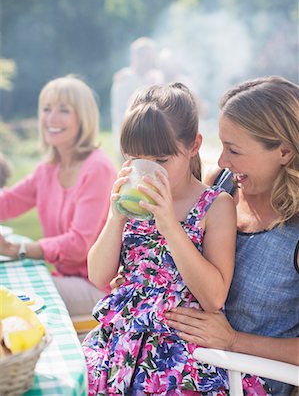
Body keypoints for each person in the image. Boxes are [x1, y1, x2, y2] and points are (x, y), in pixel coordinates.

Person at [82, 82, 270, 395]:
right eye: (135, 158)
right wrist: (115, 217)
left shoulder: (215, 205)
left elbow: (214, 297)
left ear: (194, 145)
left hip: (178, 351)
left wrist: (169, 224)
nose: (149, 171)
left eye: (161, 161)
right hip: (121, 343)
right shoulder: (130, 200)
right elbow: (98, 275)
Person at [165, 76, 299, 396]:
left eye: (234, 150)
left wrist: (232, 341)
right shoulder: (221, 184)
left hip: (246, 378)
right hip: (182, 360)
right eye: (222, 145)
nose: (223, 160)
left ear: (284, 151)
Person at [0, 75, 117, 316]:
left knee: (13, 297)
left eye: (63, 110)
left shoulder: (98, 168)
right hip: (65, 278)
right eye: (46, 109)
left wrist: (19, 248)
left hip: (97, 287)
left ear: (83, 118)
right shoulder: (48, 169)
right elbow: (8, 203)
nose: (51, 118)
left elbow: (77, 245)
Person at [110, 37, 163, 162]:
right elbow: (120, 112)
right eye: (144, 56)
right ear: (135, 57)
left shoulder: (157, 78)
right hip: (129, 138)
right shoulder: (124, 80)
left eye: (150, 56)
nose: (148, 60)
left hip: (153, 140)